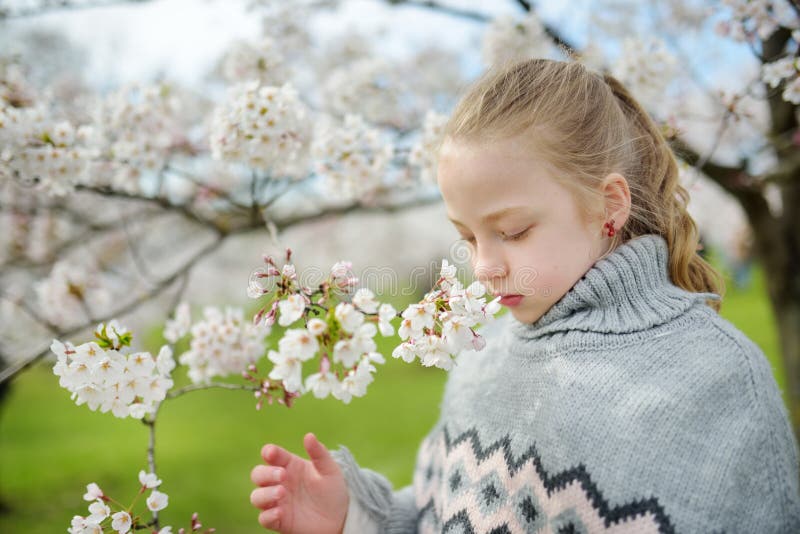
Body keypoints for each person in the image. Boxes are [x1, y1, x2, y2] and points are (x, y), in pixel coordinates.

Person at [249, 58, 800, 533]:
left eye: (512, 232)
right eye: (467, 236)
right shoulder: (486, 355)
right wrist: (356, 518)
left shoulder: (718, 380)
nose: (485, 267)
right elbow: (441, 514)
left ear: (609, 205)